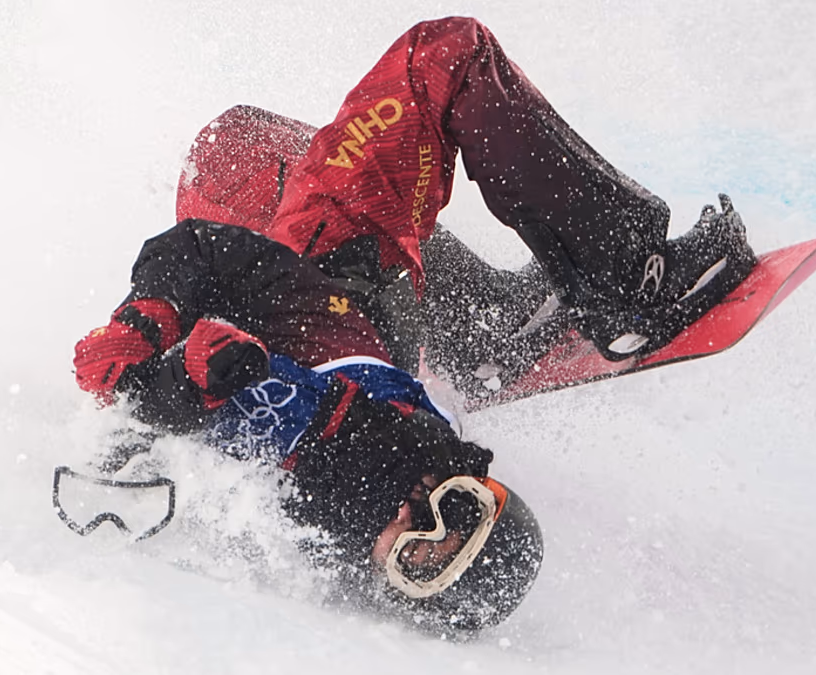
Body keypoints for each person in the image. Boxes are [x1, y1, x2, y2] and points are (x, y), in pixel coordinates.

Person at [70, 17, 754, 634]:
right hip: (348, 288)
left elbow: (193, 297)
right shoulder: (389, 446)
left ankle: (532, 315)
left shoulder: (279, 513)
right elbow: (366, 425)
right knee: (283, 140)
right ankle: (610, 282)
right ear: (472, 479)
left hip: (315, 272)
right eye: (456, 509)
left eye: (418, 556)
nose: (417, 513)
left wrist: (154, 355)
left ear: (393, 583)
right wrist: (152, 325)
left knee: (394, 79)